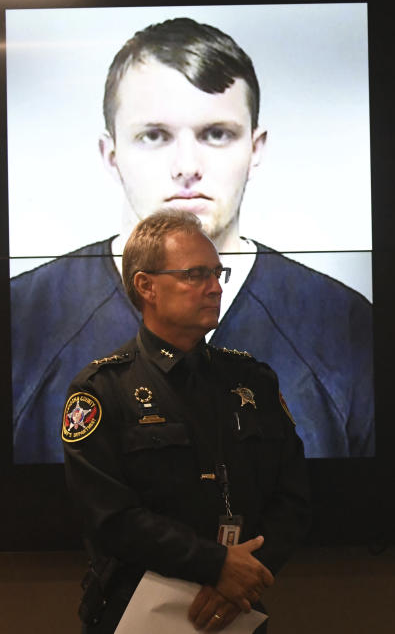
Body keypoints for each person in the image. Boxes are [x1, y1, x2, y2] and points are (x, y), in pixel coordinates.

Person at [12, 17, 373, 463]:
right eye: (154, 135)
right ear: (111, 154)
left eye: (216, 134)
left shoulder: (344, 325)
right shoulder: (21, 317)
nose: (186, 166)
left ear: (255, 149)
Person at [62, 209, 311, 632]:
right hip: (138, 611)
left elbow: (292, 496)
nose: (215, 288)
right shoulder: (103, 389)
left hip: (238, 611)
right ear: (146, 286)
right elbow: (110, 517)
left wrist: (243, 577)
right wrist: (215, 566)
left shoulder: (252, 380)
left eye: (218, 273)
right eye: (195, 275)